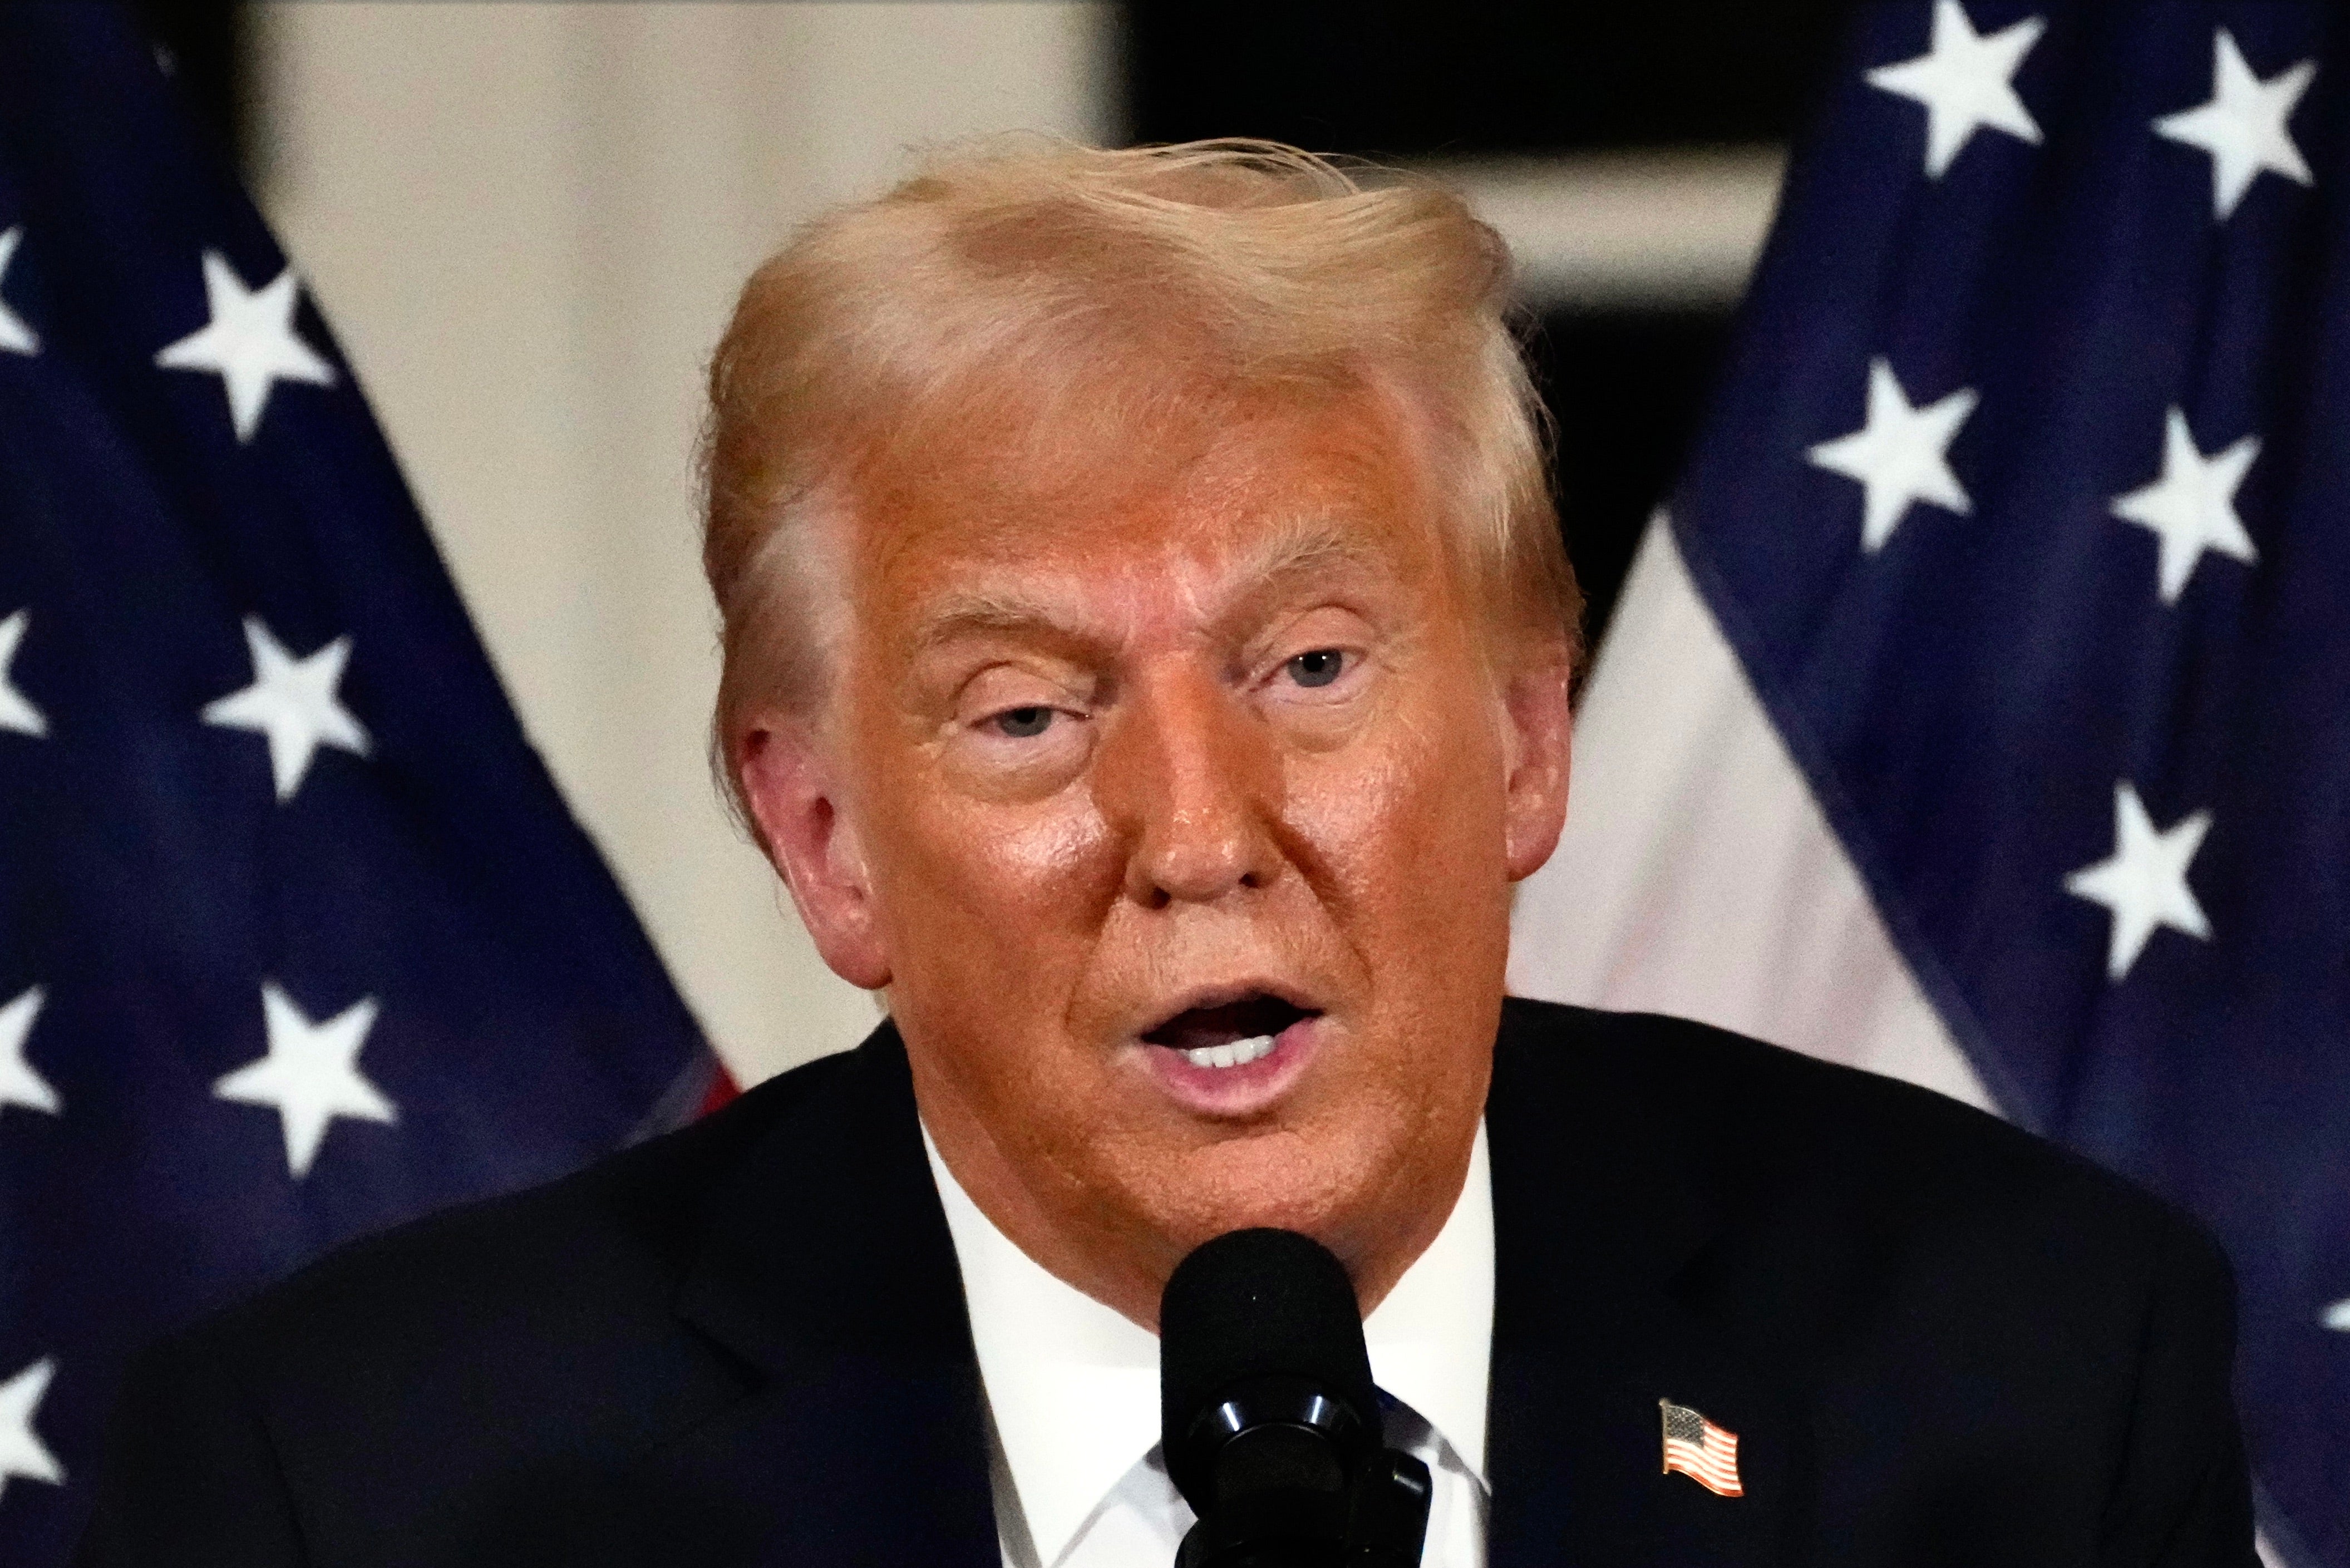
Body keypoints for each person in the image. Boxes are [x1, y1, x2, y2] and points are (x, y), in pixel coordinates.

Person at [76, 139, 2253, 1568]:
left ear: (1519, 732)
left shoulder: (2028, 1381)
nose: (1196, 835)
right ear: (826, 842)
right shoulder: (353, 1497)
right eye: (1028, 712)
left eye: (1308, 665)